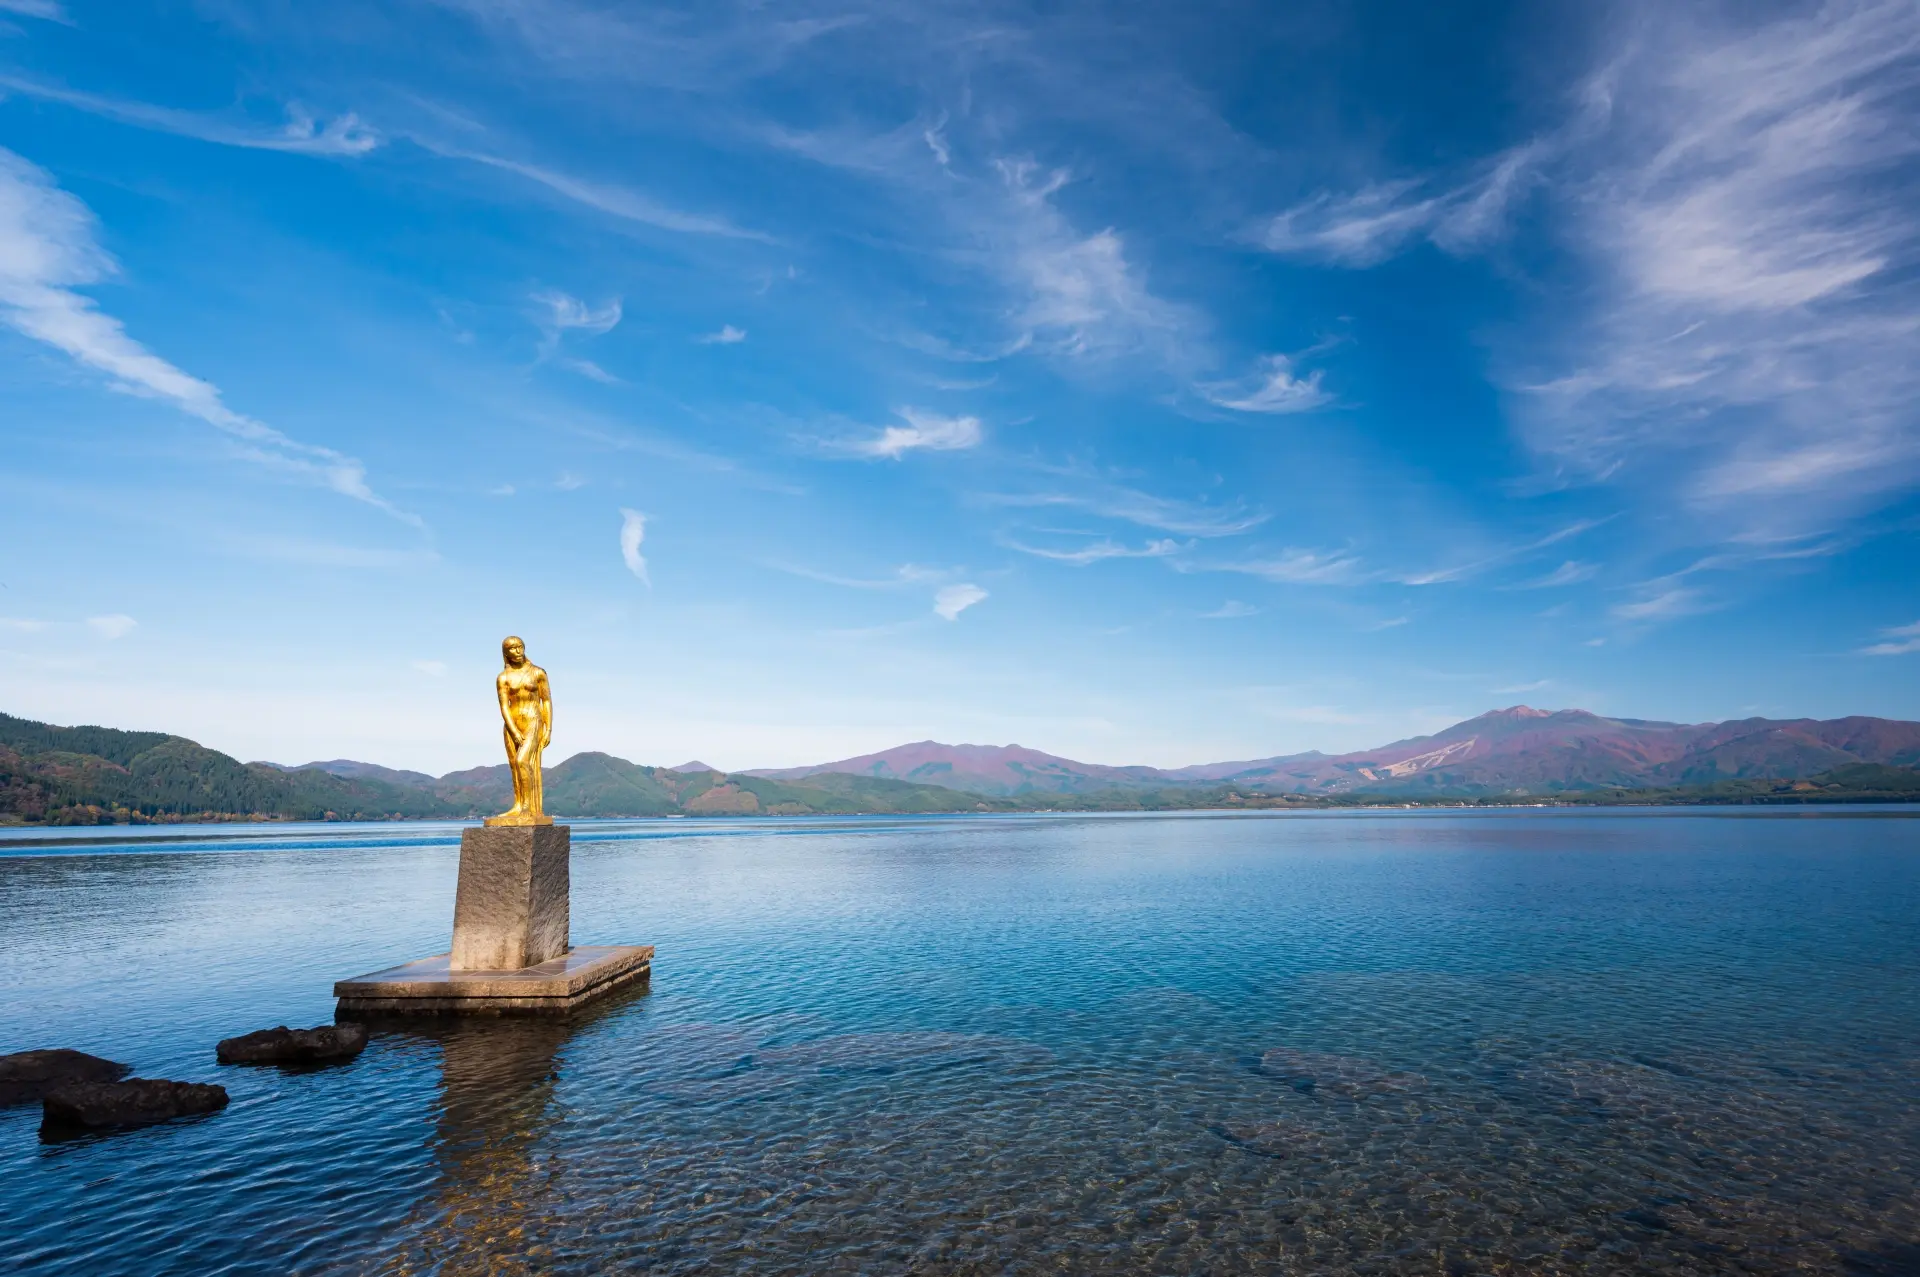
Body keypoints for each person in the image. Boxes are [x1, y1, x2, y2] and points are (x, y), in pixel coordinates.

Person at [485, 635, 553, 826]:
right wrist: (513, 730)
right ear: (505, 653)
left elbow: (546, 700)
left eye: (520, 647)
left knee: (523, 760)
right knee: (515, 765)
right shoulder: (503, 677)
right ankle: (518, 804)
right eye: (512, 649)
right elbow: (504, 706)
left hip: (533, 720)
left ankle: (528, 807)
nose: (518, 651)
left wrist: (548, 728)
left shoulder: (538, 673)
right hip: (512, 723)